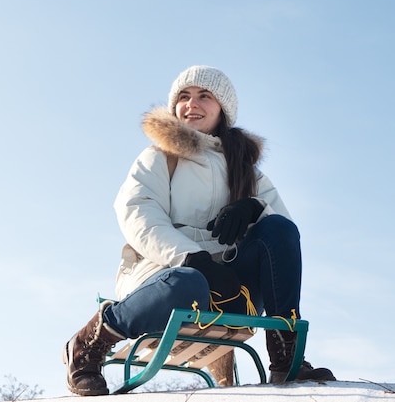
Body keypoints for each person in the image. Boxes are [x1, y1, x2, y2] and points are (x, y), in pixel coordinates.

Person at [62, 65, 335, 396]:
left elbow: (285, 236)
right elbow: (138, 212)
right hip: (168, 275)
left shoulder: (246, 171)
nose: (192, 104)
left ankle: (287, 357)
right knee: (188, 281)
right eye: (184, 97)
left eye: (204, 96)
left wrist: (254, 208)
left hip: (231, 288)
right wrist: (192, 257)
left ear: (222, 109)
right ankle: (89, 345)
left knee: (277, 229)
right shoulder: (161, 157)